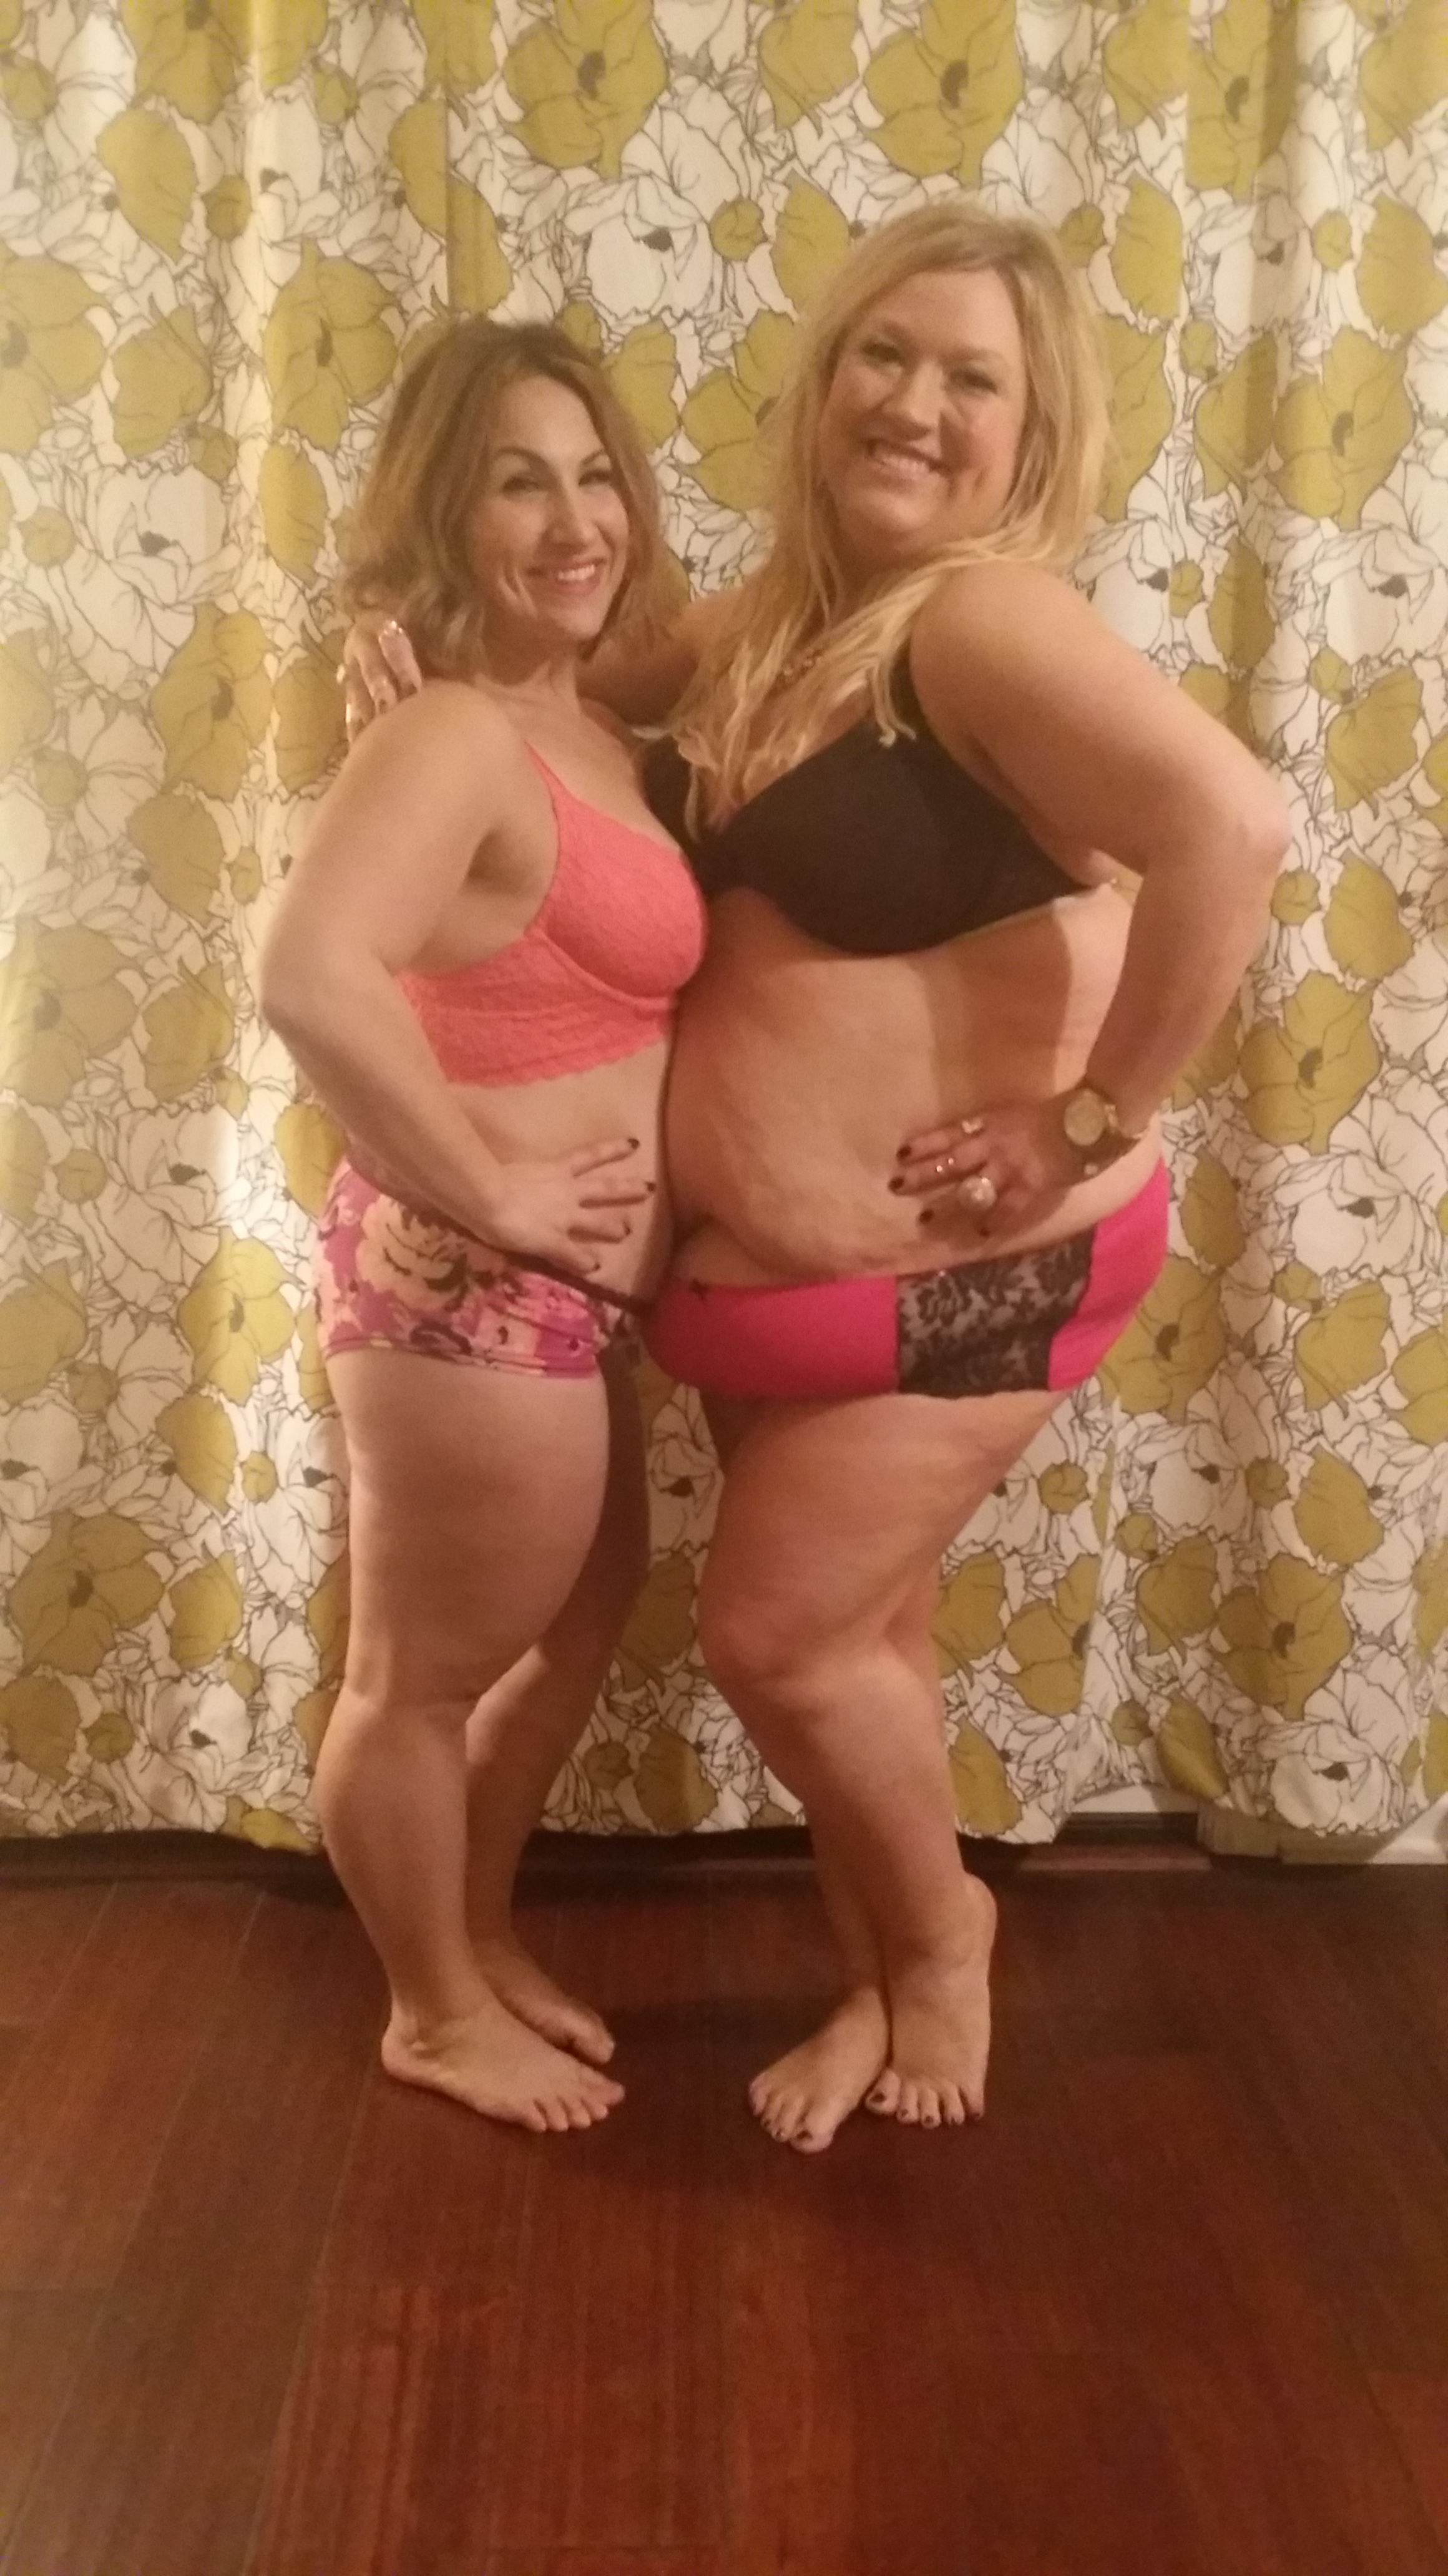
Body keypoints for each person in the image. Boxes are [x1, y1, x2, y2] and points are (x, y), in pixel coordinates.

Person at [343, 200, 1291, 2151]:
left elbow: (1235, 828)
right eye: (886, 353)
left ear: (1033, 437)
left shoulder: (977, 620)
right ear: (827, 370)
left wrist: (1092, 1114)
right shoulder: (772, 619)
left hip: (970, 1275)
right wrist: (414, 669)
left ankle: (942, 1946)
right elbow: (578, 676)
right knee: (865, 1649)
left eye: (973, 380)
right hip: (776, 1297)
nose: (916, 404)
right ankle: (869, 1985)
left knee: (776, 1638)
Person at [260, 318, 705, 2131]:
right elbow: (308, 972)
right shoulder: (451, 730)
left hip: (559, 1302)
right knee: (417, 1680)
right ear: (447, 513)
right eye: (520, 483)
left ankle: (478, 1930)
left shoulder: (587, 726)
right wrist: (503, 1188)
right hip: (467, 1283)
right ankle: (431, 2011)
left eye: (596, 475)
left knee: (577, 1624)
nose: (575, 519)